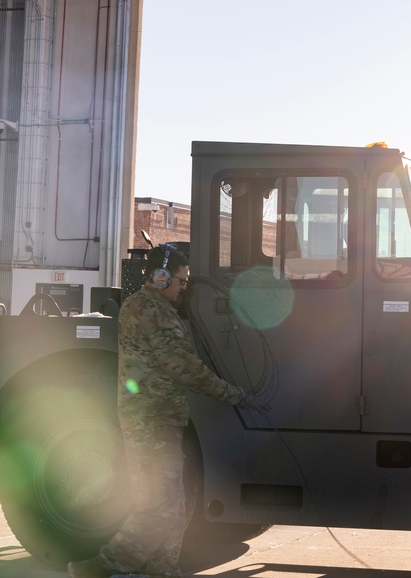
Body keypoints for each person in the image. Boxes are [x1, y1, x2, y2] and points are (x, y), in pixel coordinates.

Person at [68, 244, 268, 578]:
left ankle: (163, 570)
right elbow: (184, 367)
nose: (184, 286)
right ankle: (102, 568)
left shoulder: (147, 307)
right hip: (151, 422)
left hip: (158, 419)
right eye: (179, 280)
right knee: (159, 509)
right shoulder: (152, 312)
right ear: (159, 277)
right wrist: (234, 395)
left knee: (171, 509)